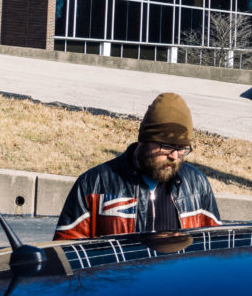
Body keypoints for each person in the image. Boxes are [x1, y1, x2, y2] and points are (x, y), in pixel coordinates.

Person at [54, 92, 221, 240]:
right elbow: (67, 250)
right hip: (118, 276)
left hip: (180, 276)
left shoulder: (197, 184)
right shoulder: (94, 183)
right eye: (167, 146)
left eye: (181, 148)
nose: (174, 156)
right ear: (145, 140)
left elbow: (214, 247)